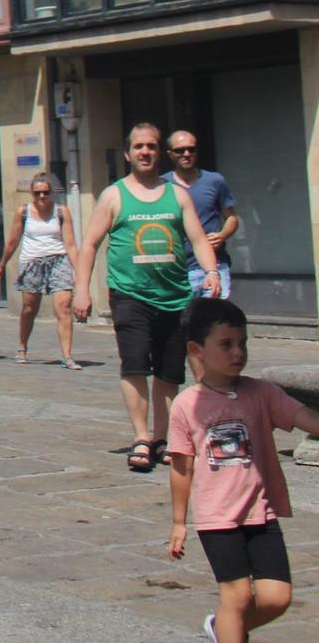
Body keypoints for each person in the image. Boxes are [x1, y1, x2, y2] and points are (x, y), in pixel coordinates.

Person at [73, 122, 223, 474]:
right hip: (130, 294)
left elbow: (198, 239)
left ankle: (163, 437)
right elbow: (90, 244)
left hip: (174, 296)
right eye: (138, 146)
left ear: (159, 153)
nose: (145, 152)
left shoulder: (177, 195)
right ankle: (141, 437)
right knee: (135, 365)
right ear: (128, 154)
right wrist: (82, 289)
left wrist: (212, 272)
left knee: (170, 372)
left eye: (151, 146)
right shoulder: (113, 196)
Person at [166, 298, 319, 642]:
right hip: (217, 518)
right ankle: (229, 628)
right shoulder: (186, 406)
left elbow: (305, 418)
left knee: (277, 598)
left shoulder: (263, 393)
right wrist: (178, 522)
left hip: (260, 513)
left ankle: (222, 628)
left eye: (243, 343)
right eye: (226, 344)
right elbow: (181, 466)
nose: (238, 352)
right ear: (196, 349)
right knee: (236, 598)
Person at [0, 171, 79, 368]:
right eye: (37, 193)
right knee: (30, 308)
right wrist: (1, 266)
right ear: (32, 193)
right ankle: (22, 346)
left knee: (64, 307)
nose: (42, 197)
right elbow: (12, 242)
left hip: (58, 260)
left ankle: (67, 356)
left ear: (51, 192)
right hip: (32, 262)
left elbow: (71, 244)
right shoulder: (23, 212)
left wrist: (79, 273)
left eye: (46, 192)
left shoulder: (61, 211)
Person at [166, 130, 238, 300]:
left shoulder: (214, 180)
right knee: (184, 317)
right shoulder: (163, 185)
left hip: (215, 266)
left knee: (214, 316)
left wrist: (222, 235)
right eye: (180, 150)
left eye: (191, 149)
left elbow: (232, 218)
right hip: (178, 270)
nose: (186, 154)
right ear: (170, 154)